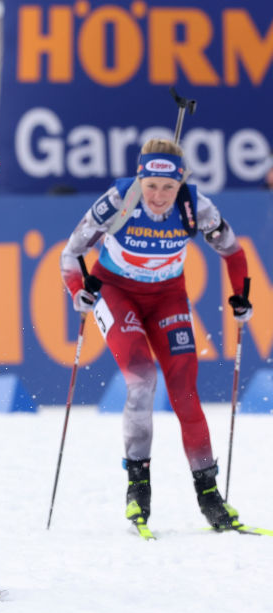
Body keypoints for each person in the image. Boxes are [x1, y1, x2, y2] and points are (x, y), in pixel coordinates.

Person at [60, 138, 253, 532]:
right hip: (116, 292)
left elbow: (233, 251)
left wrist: (240, 297)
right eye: (151, 186)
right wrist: (78, 290)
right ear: (140, 178)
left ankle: (210, 497)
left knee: (185, 391)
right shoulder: (118, 200)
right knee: (143, 379)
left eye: (168, 187)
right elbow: (71, 253)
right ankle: (138, 487)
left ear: (180, 181)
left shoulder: (195, 206)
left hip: (168, 297)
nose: (159, 196)